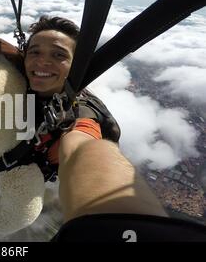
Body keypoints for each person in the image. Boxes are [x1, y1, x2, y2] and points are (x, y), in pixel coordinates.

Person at [24, 16, 206, 241]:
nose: (42, 61)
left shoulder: (82, 113)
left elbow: (82, 147)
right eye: (34, 52)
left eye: (59, 54)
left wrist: (123, 227)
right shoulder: (15, 84)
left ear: (76, 65)